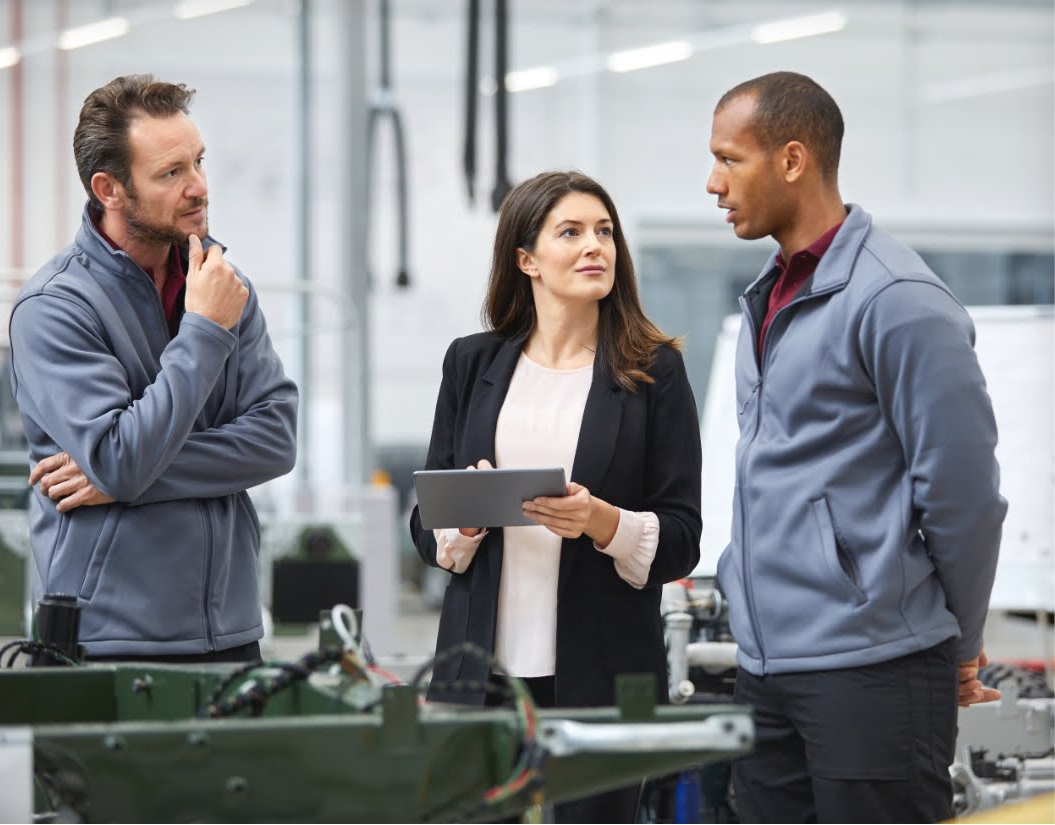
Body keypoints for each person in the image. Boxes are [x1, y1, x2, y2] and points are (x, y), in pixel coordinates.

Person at [705, 71, 1008, 822]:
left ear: (791, 160)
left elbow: (963, 491)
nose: (712, 184)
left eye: (728, 159)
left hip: (873, 667)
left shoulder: (896, 300)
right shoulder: (769, 294)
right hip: (767, 667)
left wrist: (960, 644)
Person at [410, 170, 703, 823]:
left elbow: (683, 534)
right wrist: (465, 519)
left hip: (602, 673)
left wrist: (600, 520)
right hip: (480, 675)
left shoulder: (654, 370)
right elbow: (424, 523)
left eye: (603, 231)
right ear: (526, 259)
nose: (593, 246)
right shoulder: (471, 363)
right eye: (569, 232)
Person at [8, 74, 298, 663]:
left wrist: (118, 481)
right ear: (109, 189)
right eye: (171, 174)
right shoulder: (55, 308)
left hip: (232, 630)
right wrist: (205, 331)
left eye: (198, 162)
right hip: (107, 637)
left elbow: (276, 441)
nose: (198, 187)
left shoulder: (218, 282)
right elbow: (120, 456)